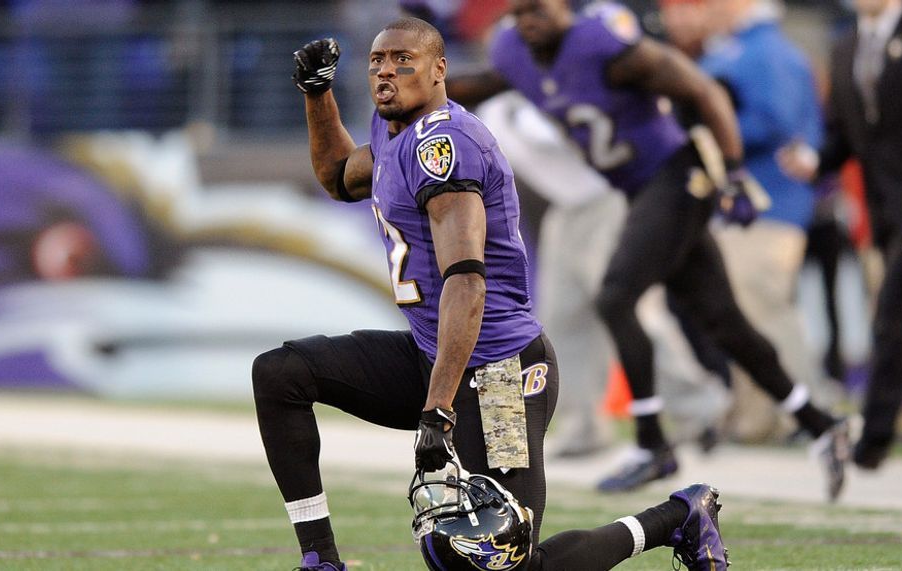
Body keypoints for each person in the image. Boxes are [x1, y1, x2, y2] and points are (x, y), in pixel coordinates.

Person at [253, 17, 728, 571]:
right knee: (280, 373)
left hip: (501, 372)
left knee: (504, 564)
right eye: (378, 61)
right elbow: (338, 176)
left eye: (403, 60)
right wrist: (318, 95)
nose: (386, 71)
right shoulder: (393, 128)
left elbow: (467, 282)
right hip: (439, 356)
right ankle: (320, 560)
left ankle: (678, 517)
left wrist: (437, 410)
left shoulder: (445, 145)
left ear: (439, 69)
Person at [446, 0, 849, 498]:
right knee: (724, 320)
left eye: (539, 9)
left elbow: (700, 89)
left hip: (677, 174)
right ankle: (820, 424)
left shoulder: (601, 44)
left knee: (615, 297)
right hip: (640, 190)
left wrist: (734, 171)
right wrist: (426, 84)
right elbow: (485, 83)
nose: (528, 21)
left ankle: (653, 443)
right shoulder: (516, 50)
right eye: (520, 11)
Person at [779, 0, 902, 470]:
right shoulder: (846, 47)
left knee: (895, 310)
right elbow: (844, 135)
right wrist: (813, 162)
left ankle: (872, 442)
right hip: (884, 209)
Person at [691, 0, 839, 442]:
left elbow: (775, 122)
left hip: (769, 202)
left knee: (765, 311)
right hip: (746, 205)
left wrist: (705, 128)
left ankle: (810, 410)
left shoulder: (764, 52)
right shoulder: (739, 49)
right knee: (747, 314)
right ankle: (760, 419)